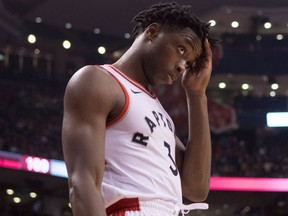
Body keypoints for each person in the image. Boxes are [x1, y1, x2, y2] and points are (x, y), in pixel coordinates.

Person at [61, 2, 218, 216]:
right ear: (152, 32)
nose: (182, 66)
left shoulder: (159, 113)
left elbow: (196, 188)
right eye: (181, 49)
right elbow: (83, 183)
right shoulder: (98, 80)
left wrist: (197, 95)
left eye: (188, 63)